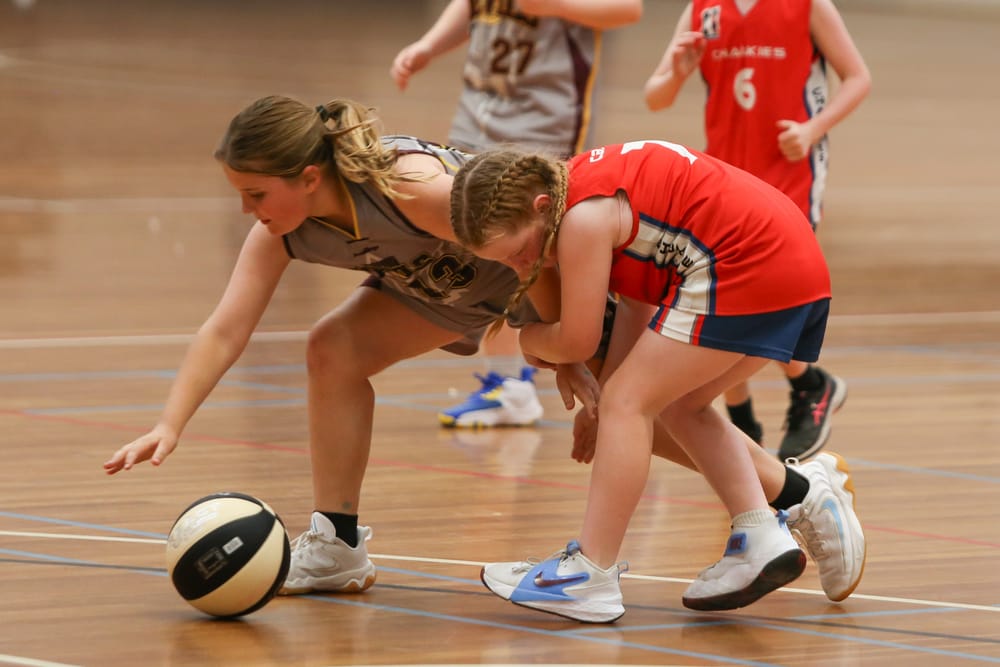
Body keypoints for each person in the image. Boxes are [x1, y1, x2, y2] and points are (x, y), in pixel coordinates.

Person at [103, 96, 864, 612]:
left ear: (308, 177)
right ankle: (335, 543)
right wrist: (172, 422)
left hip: (538, 278)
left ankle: (794, 492)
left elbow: (538, 241)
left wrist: (567, 352)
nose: (246, 209)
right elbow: (225, 327)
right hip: (445, 295)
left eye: (255, 193)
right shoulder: (285, 228)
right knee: (331, 349)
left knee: (646, 415)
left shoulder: (413, 185)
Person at [450, 139, 863, 621]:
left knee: (632, 402)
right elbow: (638, 303)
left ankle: (589, 573)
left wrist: (530, 342)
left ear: (540, 208)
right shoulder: (593, 188)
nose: (523, 267)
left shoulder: (582, 220)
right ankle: (764, 528)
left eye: (520, 251)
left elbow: (578, 342)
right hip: (792, 261)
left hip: (749, 260)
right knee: (671, 402)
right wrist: (600, 407)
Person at [390, 0, 643, 429]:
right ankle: (509, 382)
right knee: (489, 251)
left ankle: (554, 382)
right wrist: (430, 46)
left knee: (526, 257)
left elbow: (628, 9)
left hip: (542, 123)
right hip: (477, 117)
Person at [643, 0, 872, 461]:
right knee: (722, 293)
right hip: (726, 173)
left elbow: (858, 77)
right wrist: (677, 72)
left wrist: (813, 129)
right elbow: (655, 97)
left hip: (792, 170)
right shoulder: (701, 11)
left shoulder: (808, 6)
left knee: (770, 293)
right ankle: (747, 419)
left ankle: (810, 386)